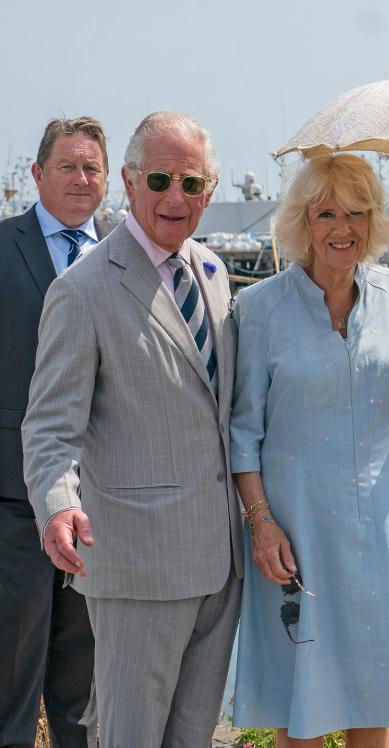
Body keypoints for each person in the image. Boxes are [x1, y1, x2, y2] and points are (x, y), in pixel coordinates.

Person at [230, 154, 389, 747]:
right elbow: (243, 435)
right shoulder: (260, 309)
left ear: (374, 221)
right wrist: (261, 525)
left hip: (386, 530)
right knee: (303, 706)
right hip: (298, 532)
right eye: (326, 213)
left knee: (378, 696)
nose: (342, 227)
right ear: (304, 222)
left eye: (357, 212)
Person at [22, 112, 243, 748]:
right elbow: (49, 428)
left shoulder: (213, 274)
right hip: (136, 564)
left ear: (209, 189)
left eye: (192, 183)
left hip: (217, 566)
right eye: (159, 178)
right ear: (128, 182)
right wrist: (58, 508)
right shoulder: (81, 291)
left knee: (191, 739)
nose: (176, 196)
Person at [0, 116, 110, 748]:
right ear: (37, 174)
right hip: (14, 506)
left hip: (101, 506)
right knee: (10, 689)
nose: (79, 178)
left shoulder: (127, 253)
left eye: (91, 167)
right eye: (66, 166)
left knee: (84, 696)